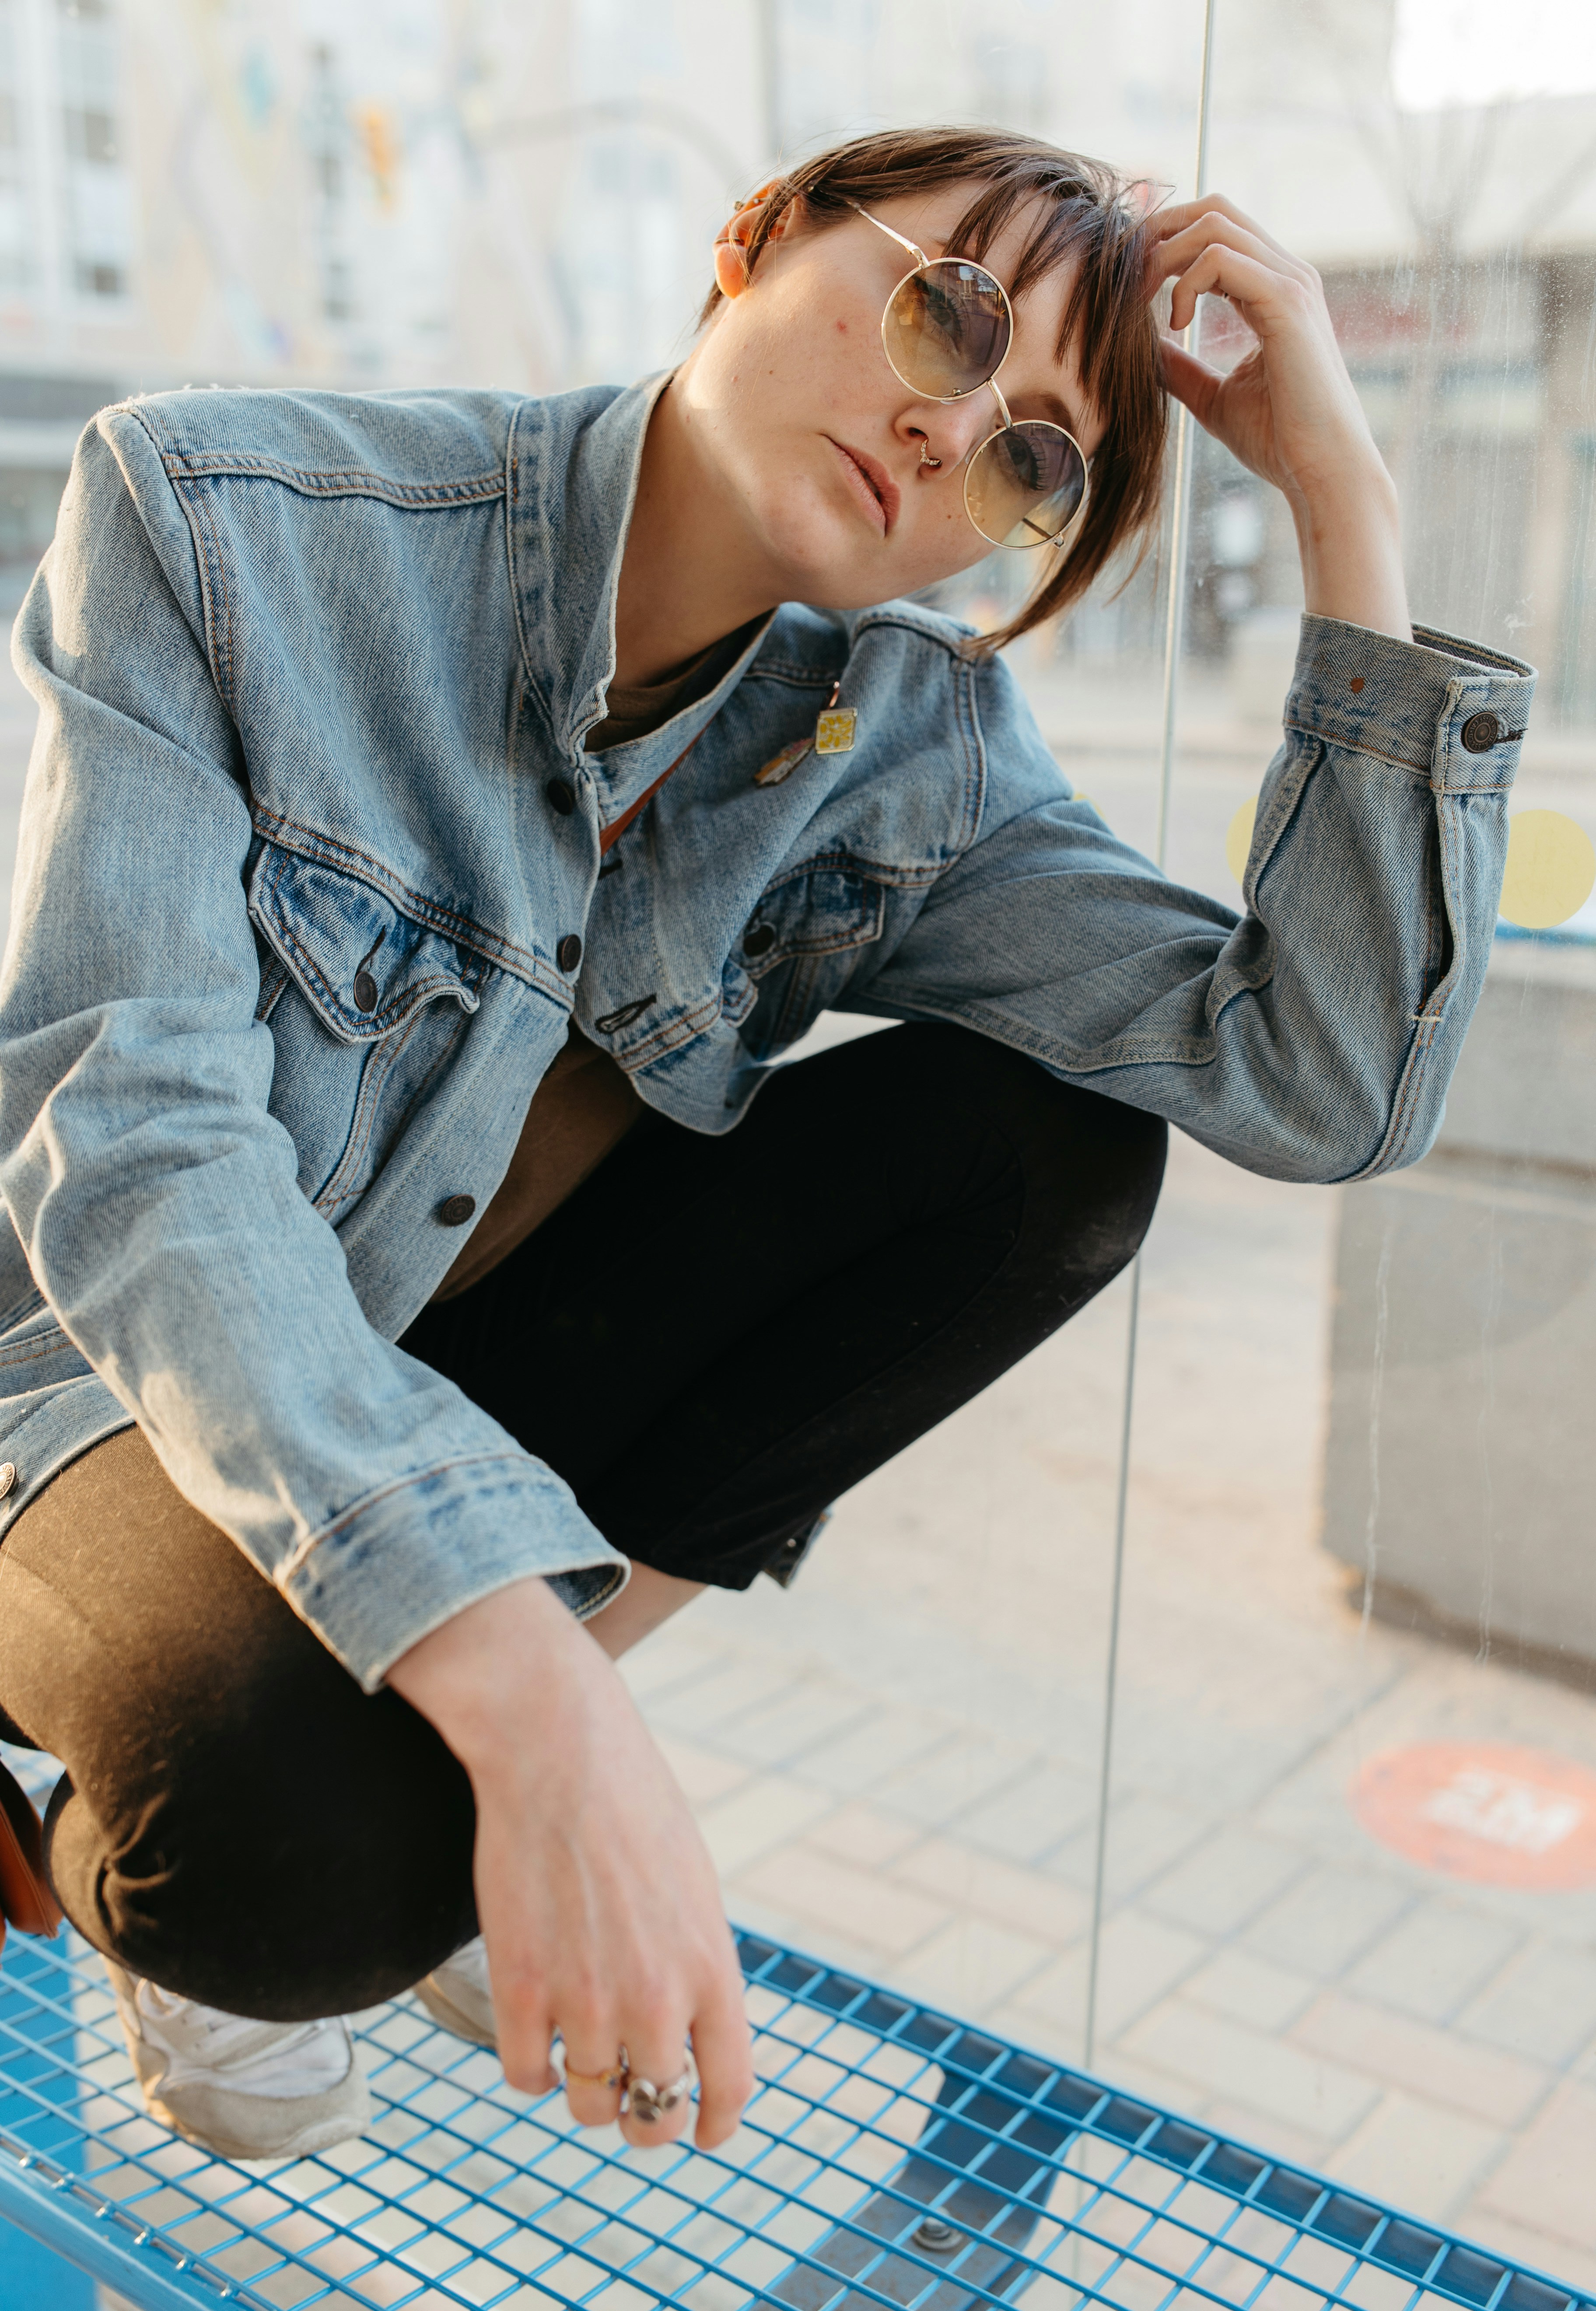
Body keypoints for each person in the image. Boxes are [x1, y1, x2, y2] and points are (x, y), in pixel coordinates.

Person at [0, 124, 1532, 2164]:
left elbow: (1319, 1086)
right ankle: (308, 1796)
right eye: (948, 309)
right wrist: (546, 1708)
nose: (951, 419)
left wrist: (1350, 500)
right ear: (754, 244)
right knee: (283, 1866)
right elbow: (138, 1155)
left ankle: (469, 1743)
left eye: (1040, 456)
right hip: (84, 1390)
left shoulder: (900, 748)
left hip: (431, 1384)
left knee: (1050, 1144)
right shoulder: (221, 517)